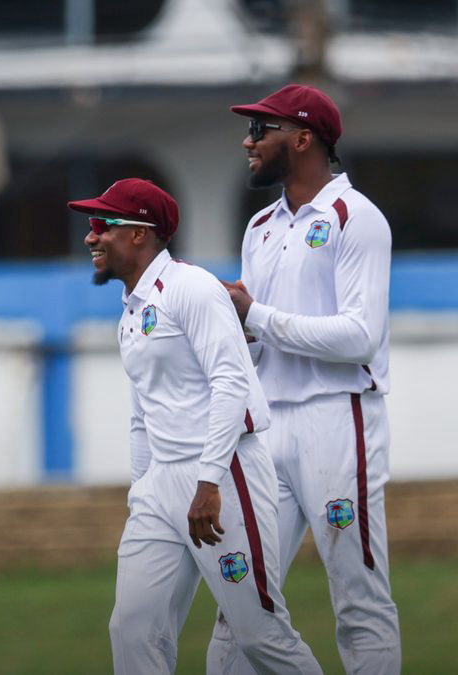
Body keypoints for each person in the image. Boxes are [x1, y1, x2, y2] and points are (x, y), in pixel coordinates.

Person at [70, 178, 322, 674]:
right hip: (160, 487)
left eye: (103, 225)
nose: (91, 237)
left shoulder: (192, 288)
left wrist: (207, 481)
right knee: (133, 629)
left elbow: (231, 382)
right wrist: (142, 489)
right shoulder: (130, 311)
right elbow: (142, 414)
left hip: (224, 476)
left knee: (259, 633)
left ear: (141, 233)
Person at [209, 84, 400, 675]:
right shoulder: (261, 226)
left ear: (303, 137)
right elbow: (256, 331)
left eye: (260, 131)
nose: (248, 141)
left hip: (335, 422)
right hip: (268, 428)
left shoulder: (356, 217)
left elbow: (359, 337)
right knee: (240, 607)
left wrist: (255, 316)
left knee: (358, 597)